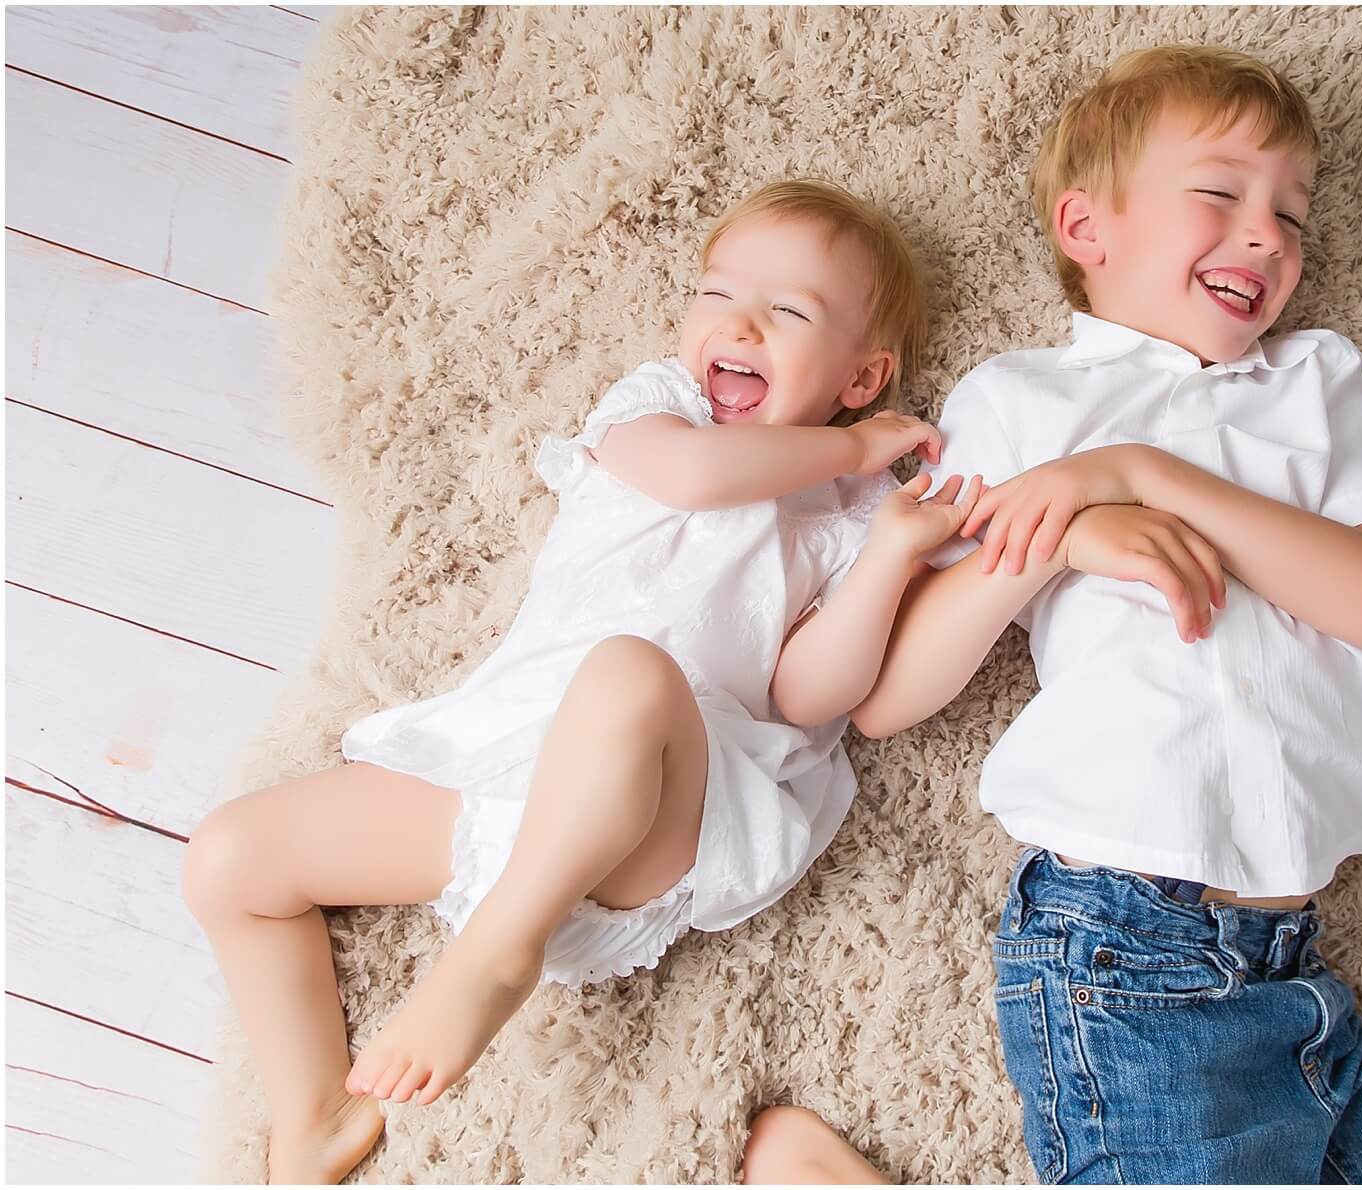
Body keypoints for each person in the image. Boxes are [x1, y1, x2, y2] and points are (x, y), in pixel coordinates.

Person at [744, 46, 1362, 1185]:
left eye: (1292, 211)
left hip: (1293, 971)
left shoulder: (1316, 384)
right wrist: (1051, 540)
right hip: (1120, 937)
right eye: (1221, 193)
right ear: (1088, 229)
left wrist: (1139, 471)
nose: (1269, 234)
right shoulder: (1024, 397)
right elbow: (888, 697)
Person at [181, 179, 982, 1184]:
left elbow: (817, 694)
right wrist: (850, 442)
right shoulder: (654, 407)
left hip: (671, 812)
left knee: (632, 675)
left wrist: (890, 558)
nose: (736, 323)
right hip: (507, 769)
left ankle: (494, 954)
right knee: (230, 858)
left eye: (786, 313)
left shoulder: (850, 516)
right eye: (717, 294)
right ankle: (309, 1112)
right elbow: (695, 476)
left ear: (863, 375)